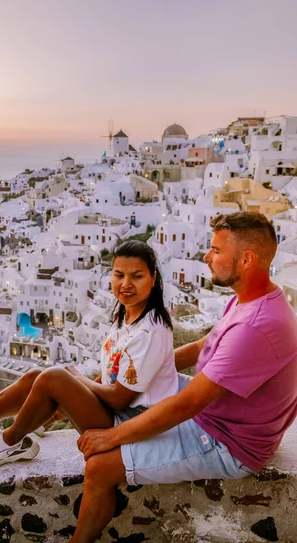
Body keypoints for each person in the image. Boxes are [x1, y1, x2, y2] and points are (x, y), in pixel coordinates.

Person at [70, 211, 297, 543]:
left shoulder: (255, 326)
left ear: (246, 260)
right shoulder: (251, 300)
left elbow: (186, 405)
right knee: (129, 401)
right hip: (222, 413)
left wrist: (112, 439)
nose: (206, 256)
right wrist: (152, 367)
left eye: (216, 250)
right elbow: (205, 345)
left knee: (99, 469)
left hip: (227, 441)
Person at [0, 240, 177, 469]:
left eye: (137, 276)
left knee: (54, 377)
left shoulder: (150, 332)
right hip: (116, 414)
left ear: (153, 278)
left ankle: (10, 441)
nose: (126, 284)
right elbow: (113, 375)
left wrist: (77, 378)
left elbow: (120, 399)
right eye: (119, 275)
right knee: (36, 375)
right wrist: (71, 394)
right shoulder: (127, 315)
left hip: (131, 427)